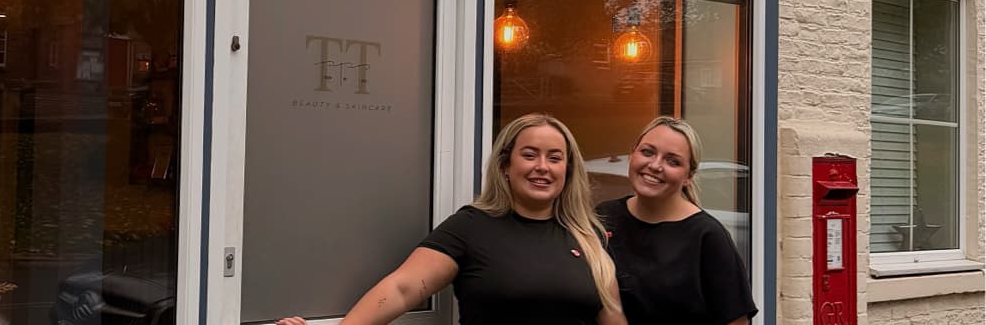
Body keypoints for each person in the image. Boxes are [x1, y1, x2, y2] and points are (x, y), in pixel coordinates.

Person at [277, 113, 625, 325]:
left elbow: (611, 318)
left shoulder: (589, 237)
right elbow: (401, 289)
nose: (542, 167)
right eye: (529, 155)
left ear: (567, 169)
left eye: (554, 158)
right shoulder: (472, 228)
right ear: (505, 166)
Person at [595, 116, 756, 325]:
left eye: (673, 161)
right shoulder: (603, 217)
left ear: (689, 176)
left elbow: (736, 321)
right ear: (632, 152)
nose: (655, 165)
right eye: (647, 152)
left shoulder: (707, 237)